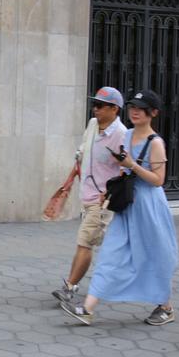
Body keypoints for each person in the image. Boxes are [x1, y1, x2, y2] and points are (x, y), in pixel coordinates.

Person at [62, 90, 179, 326]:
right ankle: (87, 308)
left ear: (153, 113)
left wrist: (131, 165)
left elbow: (158, 180)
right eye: (133, 107)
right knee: (111, 253)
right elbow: (123, 171)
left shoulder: (155, 142)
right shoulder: (128, 136)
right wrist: (109, 190)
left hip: (149, 207)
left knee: (153, 255)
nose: (135, 112)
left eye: (141, 108)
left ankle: (165, 307)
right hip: (126, 204)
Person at [48, 86, 127, 305]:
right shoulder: (93, 125)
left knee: (85, 242)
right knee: (89, 242)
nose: (95, 109)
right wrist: (69, 181)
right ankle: (113, 281)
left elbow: (125, 170)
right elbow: (82, 155)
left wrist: (109, 192)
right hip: (87, 195)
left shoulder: (121, 134)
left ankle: (70, 287)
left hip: (103, 201)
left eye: (101, 105)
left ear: (115, 109)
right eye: (94, 104)